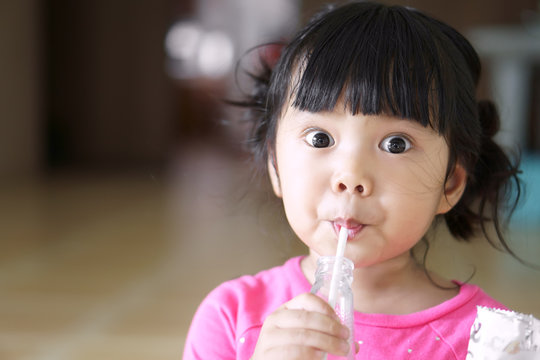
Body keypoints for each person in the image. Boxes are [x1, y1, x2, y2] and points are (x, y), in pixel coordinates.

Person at [183, 2, 523, 359]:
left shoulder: (492, 342)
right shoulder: (232, 317)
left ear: (450, 184)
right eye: (320, 139)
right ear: (275, 166)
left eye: (396, 144)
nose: (351, 176)